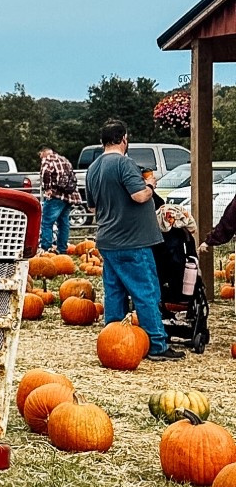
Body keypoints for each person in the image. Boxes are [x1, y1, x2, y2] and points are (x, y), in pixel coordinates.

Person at [84, 120, 180, 362]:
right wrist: (150, 185)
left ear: (103, 141)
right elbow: (139, 196)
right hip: (132, 241)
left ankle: (114, 341)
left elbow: (92, 208)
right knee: (146, 291)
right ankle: (157, 344)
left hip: (107, 240)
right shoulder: (124, 164)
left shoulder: (93, 168)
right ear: (124, 138)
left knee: (114, 292)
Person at [37, 146, 76, 253]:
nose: (40, 158)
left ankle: (46, 248)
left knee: (47, 222)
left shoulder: (48, 160)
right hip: (68, 196)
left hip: (55, 196)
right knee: (64, 223)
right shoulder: (64, 160)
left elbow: (45, 172)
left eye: (40, 155)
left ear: (43, 152)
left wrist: (47, 188)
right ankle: (62, 249)